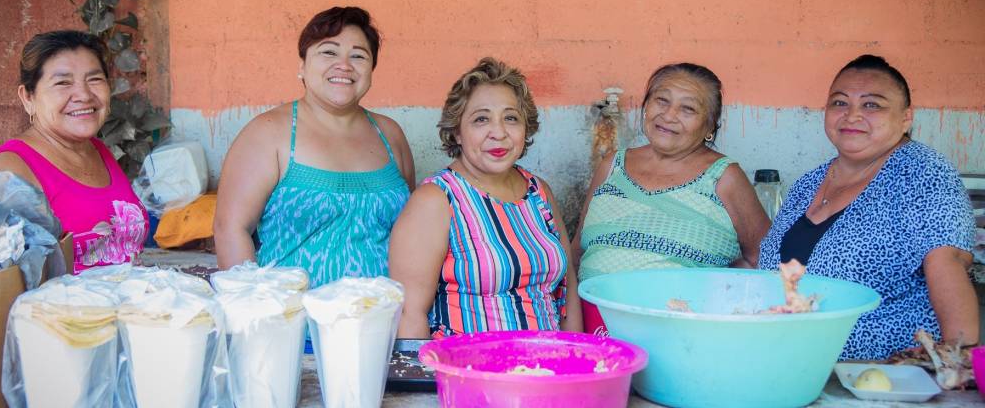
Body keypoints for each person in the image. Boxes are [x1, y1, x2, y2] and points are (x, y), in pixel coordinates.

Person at [759, 55, 977, 360]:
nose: (851, 116)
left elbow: (949, 261)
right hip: (794, 362)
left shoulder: (922, 172)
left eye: (872, 105)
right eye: (839, 103)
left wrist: (959, 360)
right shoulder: (809, 184)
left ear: (905, 118)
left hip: (882, 373)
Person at [214, 6, 414, 288]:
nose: (344, 65)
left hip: (382, 320)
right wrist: (259, 314)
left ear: (371, 70)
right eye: (328, 52)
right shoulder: (269, 133)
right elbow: (230, 229)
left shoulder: (390, 135)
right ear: (302, 66)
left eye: (358, 55)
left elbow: (412, 232)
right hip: (295, 322)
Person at [390, 57, 582, 338]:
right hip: (469, 372)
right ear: (457, 131)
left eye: (511, 118)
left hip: (547, 371)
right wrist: (425, 381)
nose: (499, 133)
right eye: (481, 119)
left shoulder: (538, 192)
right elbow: (409, 313)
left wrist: (576, 364)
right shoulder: (437, 200)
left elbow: (568, 294)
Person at [575, 63, 770, 334]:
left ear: (710, 125)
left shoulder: (724, 177)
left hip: (683, 334)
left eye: (688, 109)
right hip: (596, 327)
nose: (669, 115)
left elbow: (762, 258)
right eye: (661, 101)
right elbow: (578, 249)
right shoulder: (612, 165)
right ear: (645, 106)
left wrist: (713, 286)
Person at [0, 30, 148, 274]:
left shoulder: (98, 151)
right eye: (63, 83)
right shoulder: (11, 169)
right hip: (58, 311)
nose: (84, 95)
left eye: (94, 79)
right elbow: (2, 279)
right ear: (28, 97)